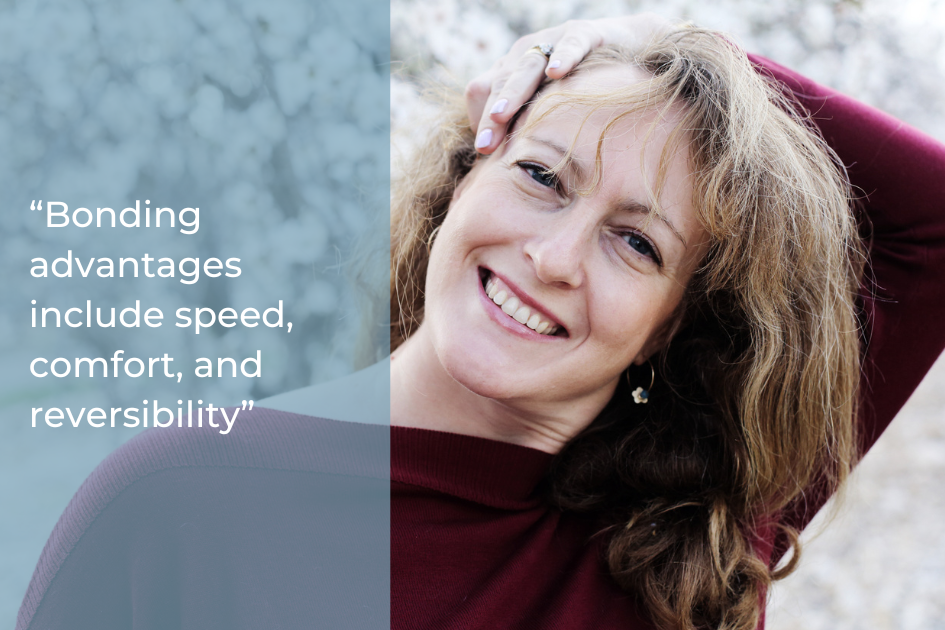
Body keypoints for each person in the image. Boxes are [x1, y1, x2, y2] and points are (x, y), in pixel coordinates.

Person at [390, 15, 945, 630]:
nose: (554, 259)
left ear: (668, 325)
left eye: (636, 242)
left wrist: (654, 40)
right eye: (542, 176)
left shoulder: (693, 550)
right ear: (463, 177)